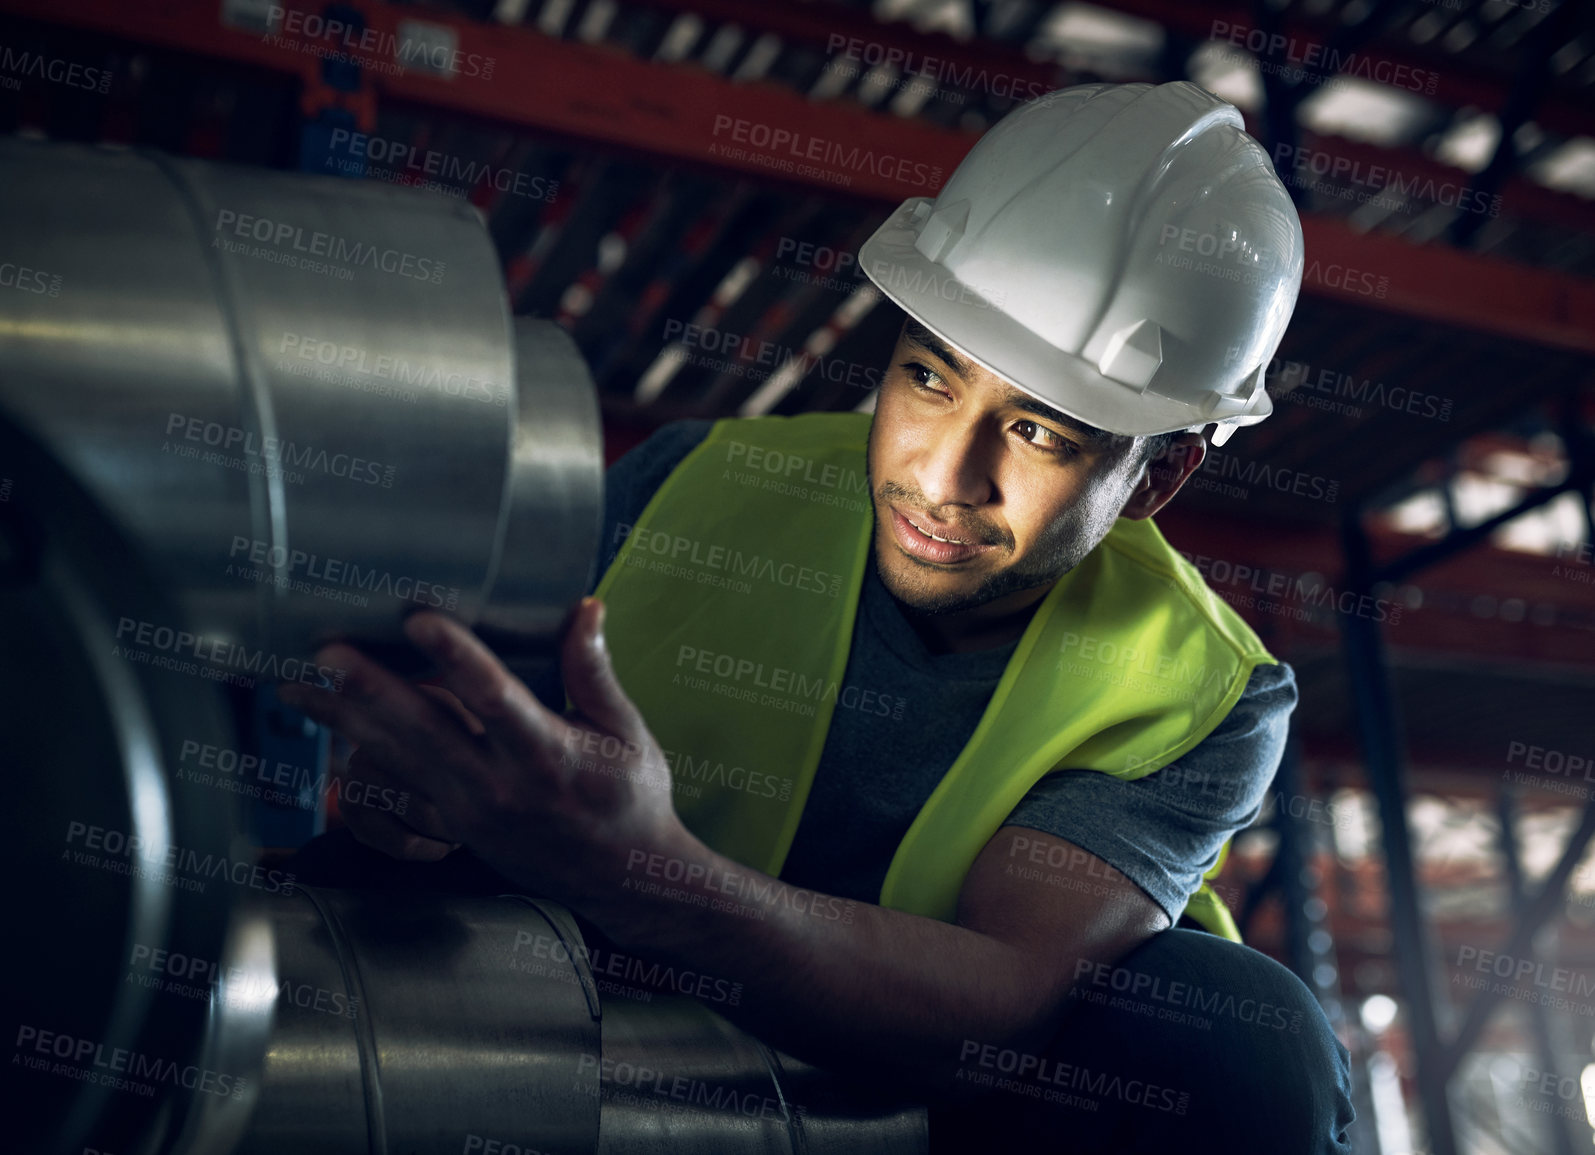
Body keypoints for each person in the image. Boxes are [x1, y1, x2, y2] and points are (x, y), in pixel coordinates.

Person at [281, 81, 1356, 1152]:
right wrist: (419, 799)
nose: (945, 476)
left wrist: (636, 871)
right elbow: (467, 757)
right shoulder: (695, 482)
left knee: (1238, 1042)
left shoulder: (1201, 687)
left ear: (1156, 478)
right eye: (930, 378)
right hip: (622, 1024)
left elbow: (998, 1007)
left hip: (939, 1114)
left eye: (1038, 435)